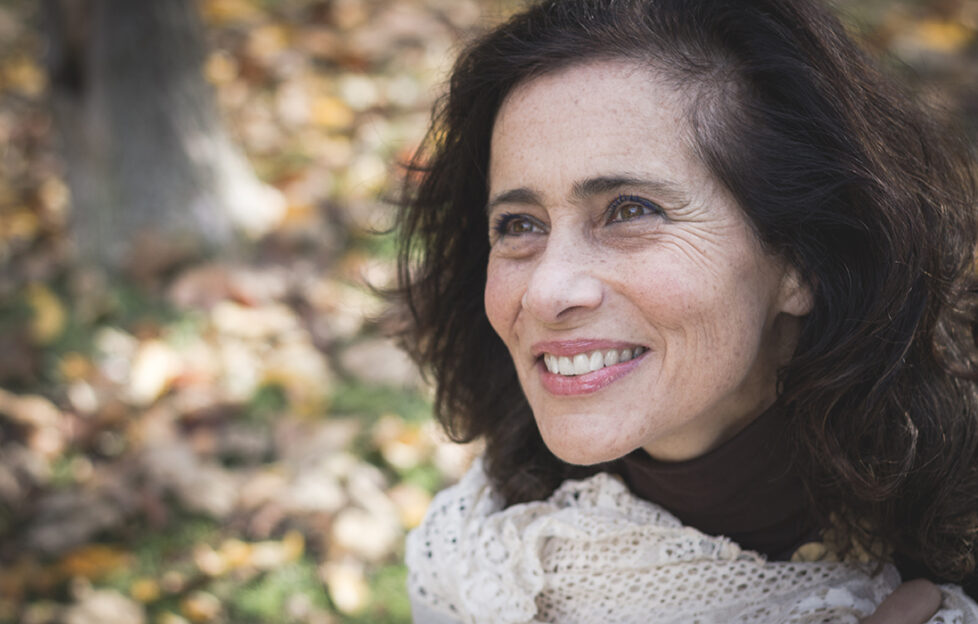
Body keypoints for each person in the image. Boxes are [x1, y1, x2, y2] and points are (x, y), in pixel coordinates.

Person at [392, 0, 978, 621]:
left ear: (803, 258)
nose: (545, 291)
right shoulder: (478, 559)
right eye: (518, 224)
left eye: (630, 211)